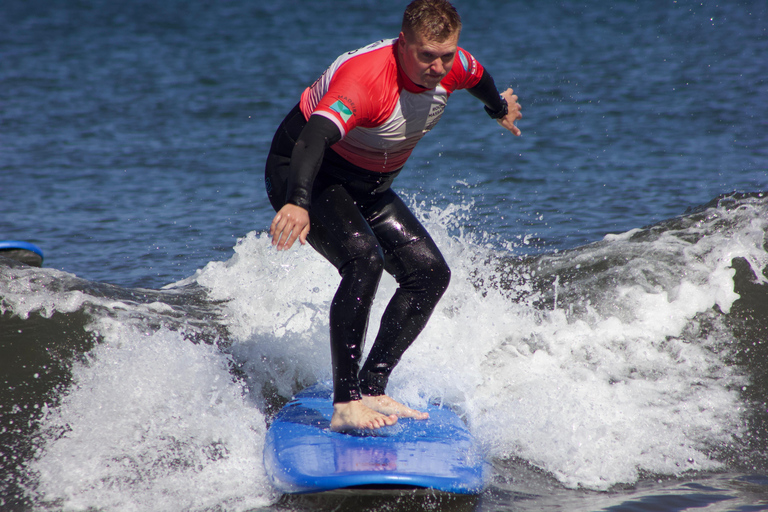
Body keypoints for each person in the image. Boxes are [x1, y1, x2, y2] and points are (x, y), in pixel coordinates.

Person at [264, 0, 522, 432]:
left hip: (369, 184)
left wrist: (497, 108)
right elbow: (311, 140)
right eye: (426, 55)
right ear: (403, 44)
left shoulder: (455, 64)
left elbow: (481, 79)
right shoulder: (365, 81)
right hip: (306, 172)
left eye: (446, 55)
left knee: (429, 274)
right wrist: (299, 201)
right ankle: (346, 404)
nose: (438, 66)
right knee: (364, 259)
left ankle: (371, 386)